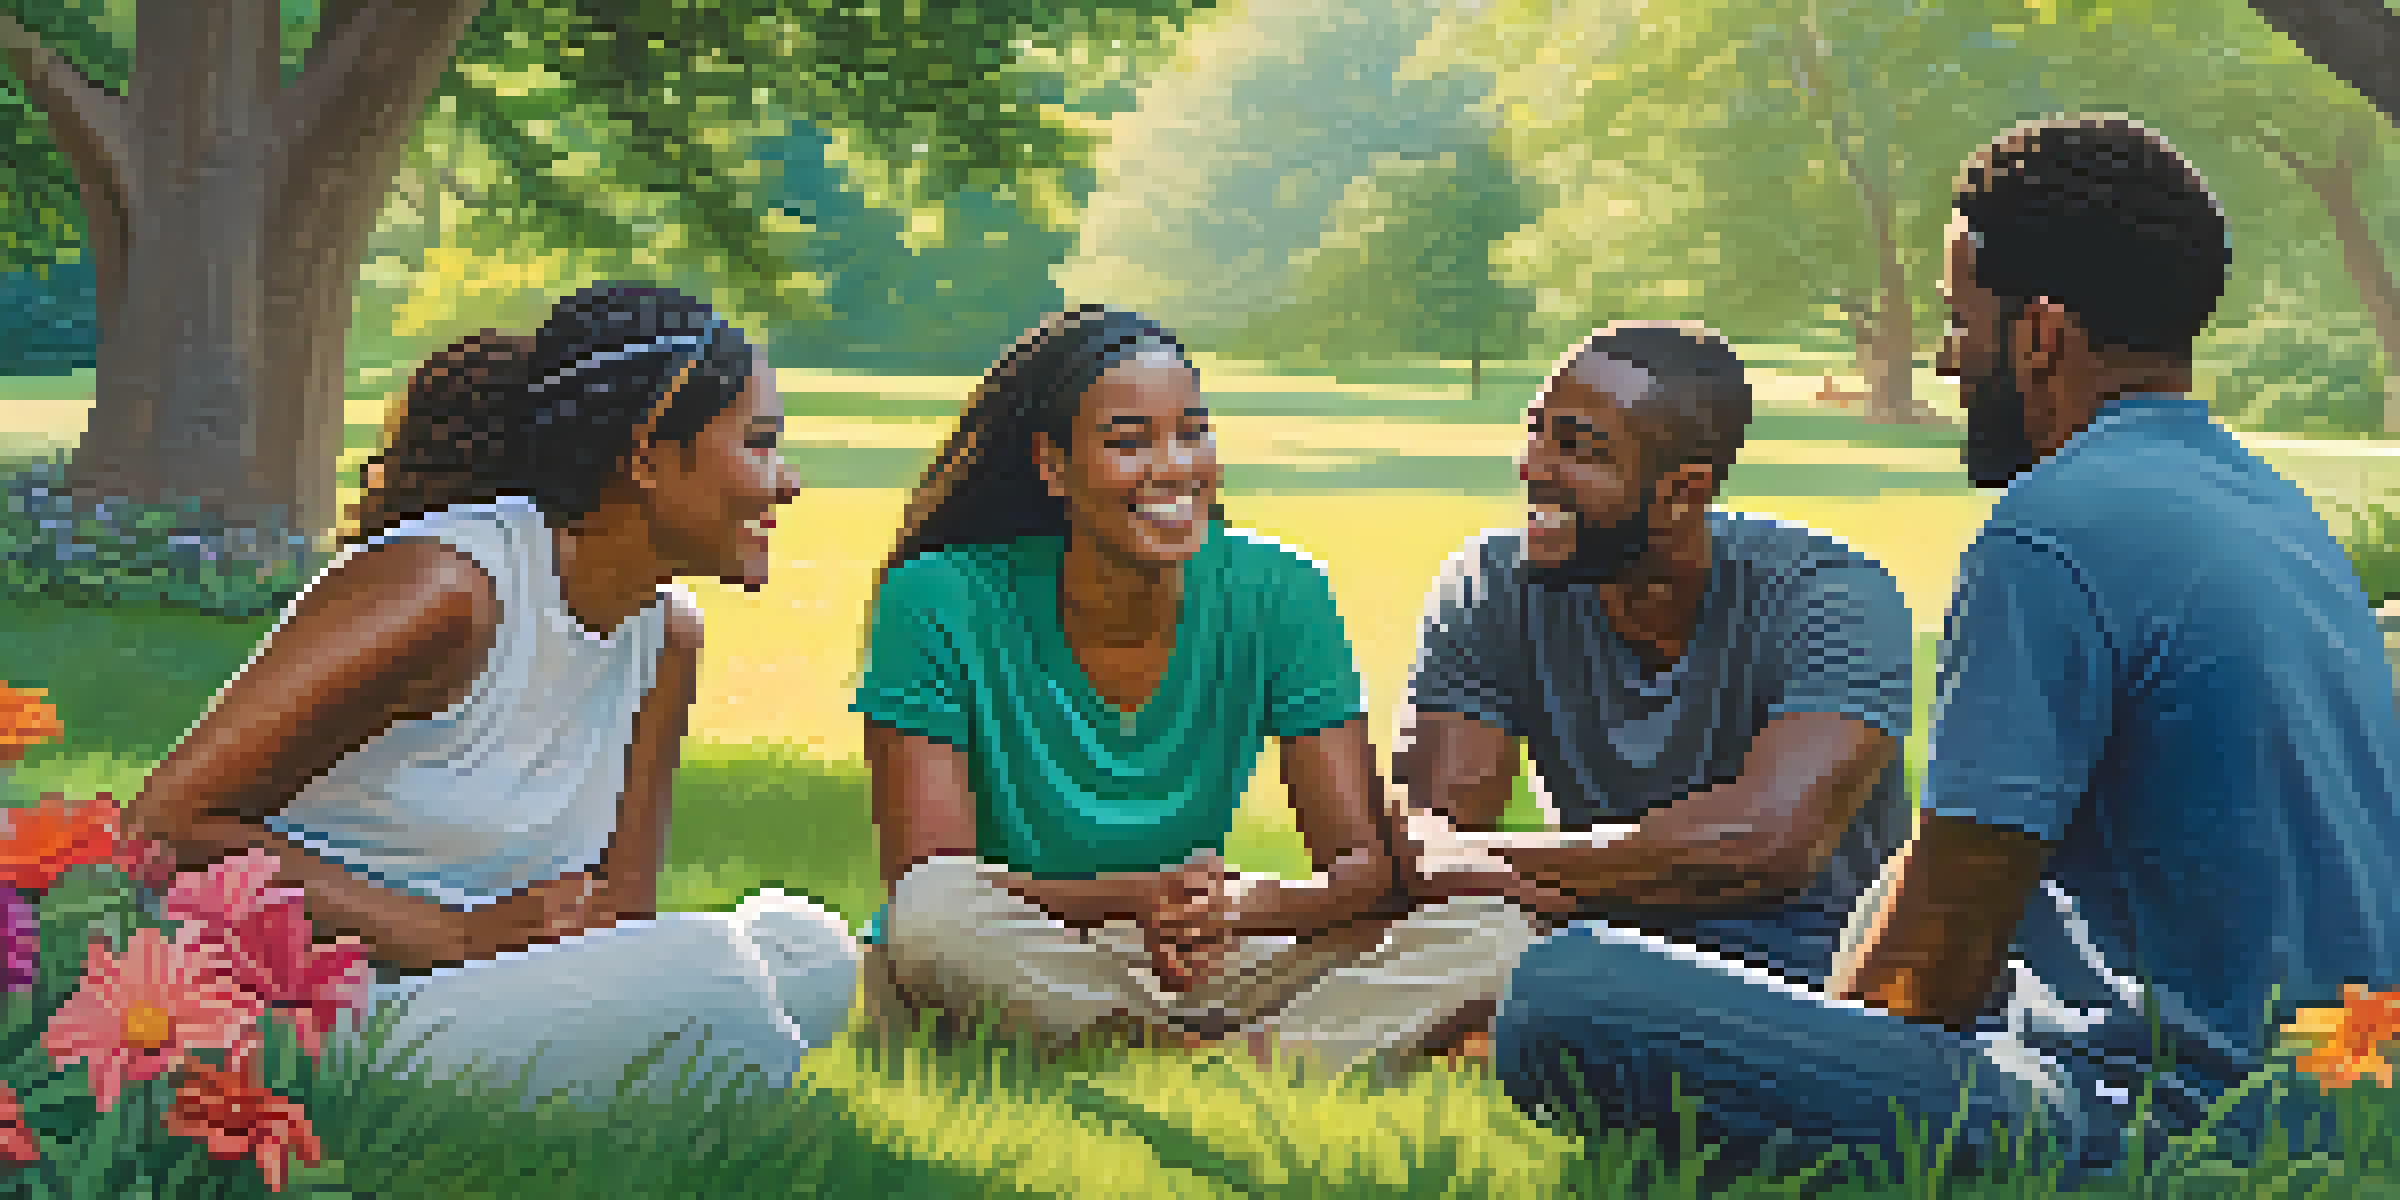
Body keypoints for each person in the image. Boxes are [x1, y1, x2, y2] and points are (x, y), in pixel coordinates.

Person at [1490, 116, 2400, 1184]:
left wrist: (1808, 1058)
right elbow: (1954, 869)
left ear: (2042, 334)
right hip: (2342, 1104)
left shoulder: (2052, 531)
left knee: (1570, 993)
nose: (1944, 355)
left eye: (1962, 320)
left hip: (2161, 1127)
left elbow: (1927, 976)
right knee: (1772, 943)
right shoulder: (2273, 508)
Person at [131, 283, 861, 1112]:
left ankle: (681, 1070)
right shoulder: (444, 589)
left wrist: (576, 973)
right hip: (310, 1007)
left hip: (479, 994)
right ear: (647, 457)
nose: (787, 481)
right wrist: (460, 937)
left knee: (805, 946)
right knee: (713, 976)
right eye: (758, 444)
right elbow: (163, 829)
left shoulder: (667, 633)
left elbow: (621, 914)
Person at [854, 304, 1535, 1078]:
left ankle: (1198, 1066)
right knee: (935, 914)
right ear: (1051, 465)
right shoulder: (941, 598)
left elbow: (1360, 866)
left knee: (1494, 928)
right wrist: (1134, 896)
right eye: (1128, 441)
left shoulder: (1281, 591)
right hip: (1030, 944)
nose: (1175, 466)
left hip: (1205, 950)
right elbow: (930, 875)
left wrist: (1249, 907)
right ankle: (1270, 1063)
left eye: (1192, 431)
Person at [1395, 321, 1919, 1054]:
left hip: (1804, 957)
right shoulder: (1494, 581)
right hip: (1583, 921)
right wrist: (1460, 863)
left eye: (1577, 449)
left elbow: (1771, 843)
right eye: (1537, 433)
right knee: (1438, 940)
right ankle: (1250, 1055)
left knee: (1533, 973)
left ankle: (1465, 1034)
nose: (1531, 467)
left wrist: (1486, 861)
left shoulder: (1836, 595)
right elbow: (1431, 829)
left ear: (1683, 491)